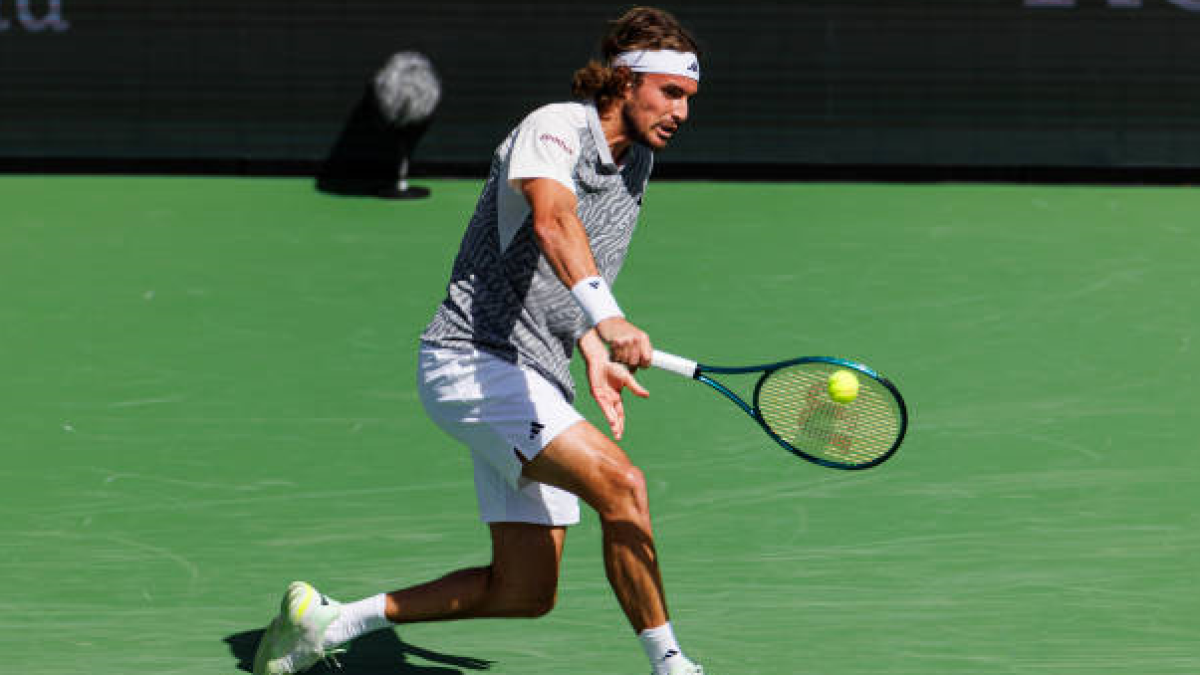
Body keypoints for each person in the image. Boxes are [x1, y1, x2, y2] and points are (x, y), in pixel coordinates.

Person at [253, 7, 704, 674]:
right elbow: (553, 221)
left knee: (523, 590)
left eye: (690, 98)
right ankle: (671, 664)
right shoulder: (554, 126)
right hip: (473, 359)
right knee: (623, 485)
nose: (682, 112)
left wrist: (592, 345)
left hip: (537, 374)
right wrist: (608, 318)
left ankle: (328, 621)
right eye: (671, 92)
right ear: (622, 81)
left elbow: (577, 270)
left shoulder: (636, 165)